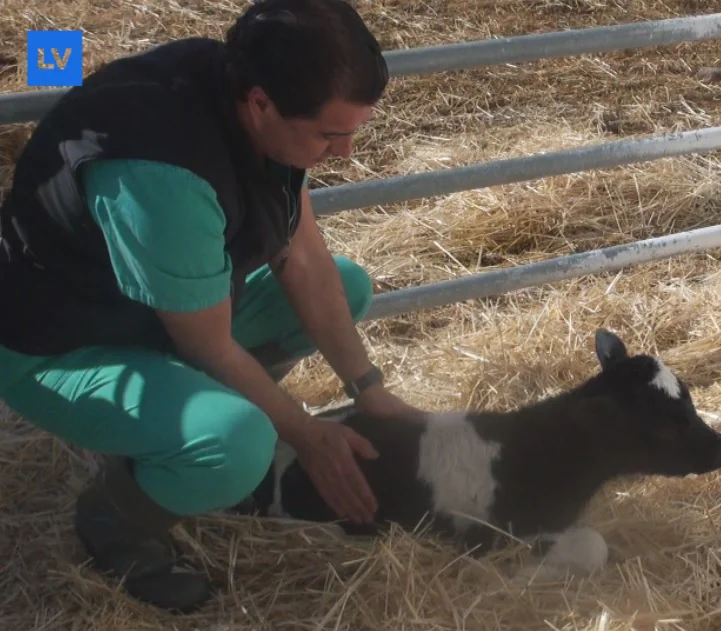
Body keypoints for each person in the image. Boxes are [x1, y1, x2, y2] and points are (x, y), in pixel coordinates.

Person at [0, 0, 422, 614]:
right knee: (238, 443)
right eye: (331, 135)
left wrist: (368, 388)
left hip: (153, 311)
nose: (348, 154)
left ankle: (186, 432)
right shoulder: (164, 170)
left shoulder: (256, 92)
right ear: (260, 104)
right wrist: (305, 434)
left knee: (347, 285)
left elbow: (303, 262)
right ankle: (116, 519)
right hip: (57, 344)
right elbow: (207, 345)